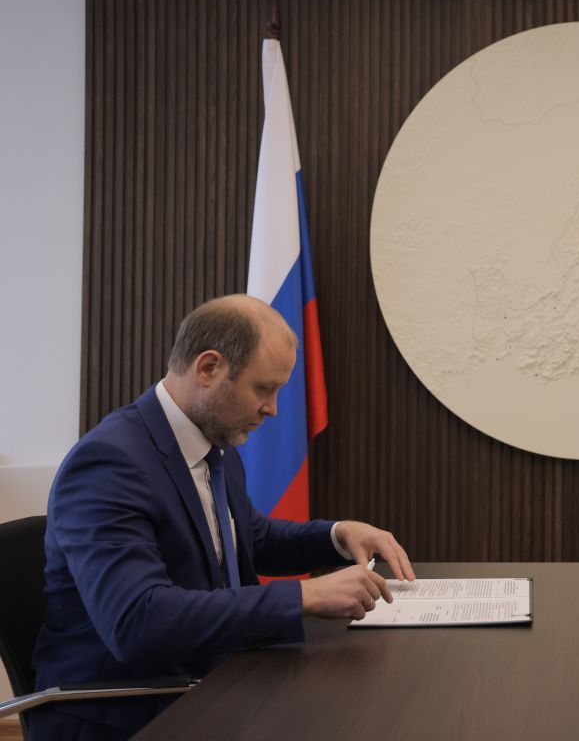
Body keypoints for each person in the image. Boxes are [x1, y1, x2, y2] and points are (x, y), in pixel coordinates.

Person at [30, 295, 417, 741]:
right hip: (126, 712)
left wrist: (338, 535)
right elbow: (137, 621)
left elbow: (251, 539)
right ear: (209, 368)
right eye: (263, 389)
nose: (272, 408)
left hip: (211, 680)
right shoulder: (108, 463)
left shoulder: (213, 443)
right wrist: (302, 596)